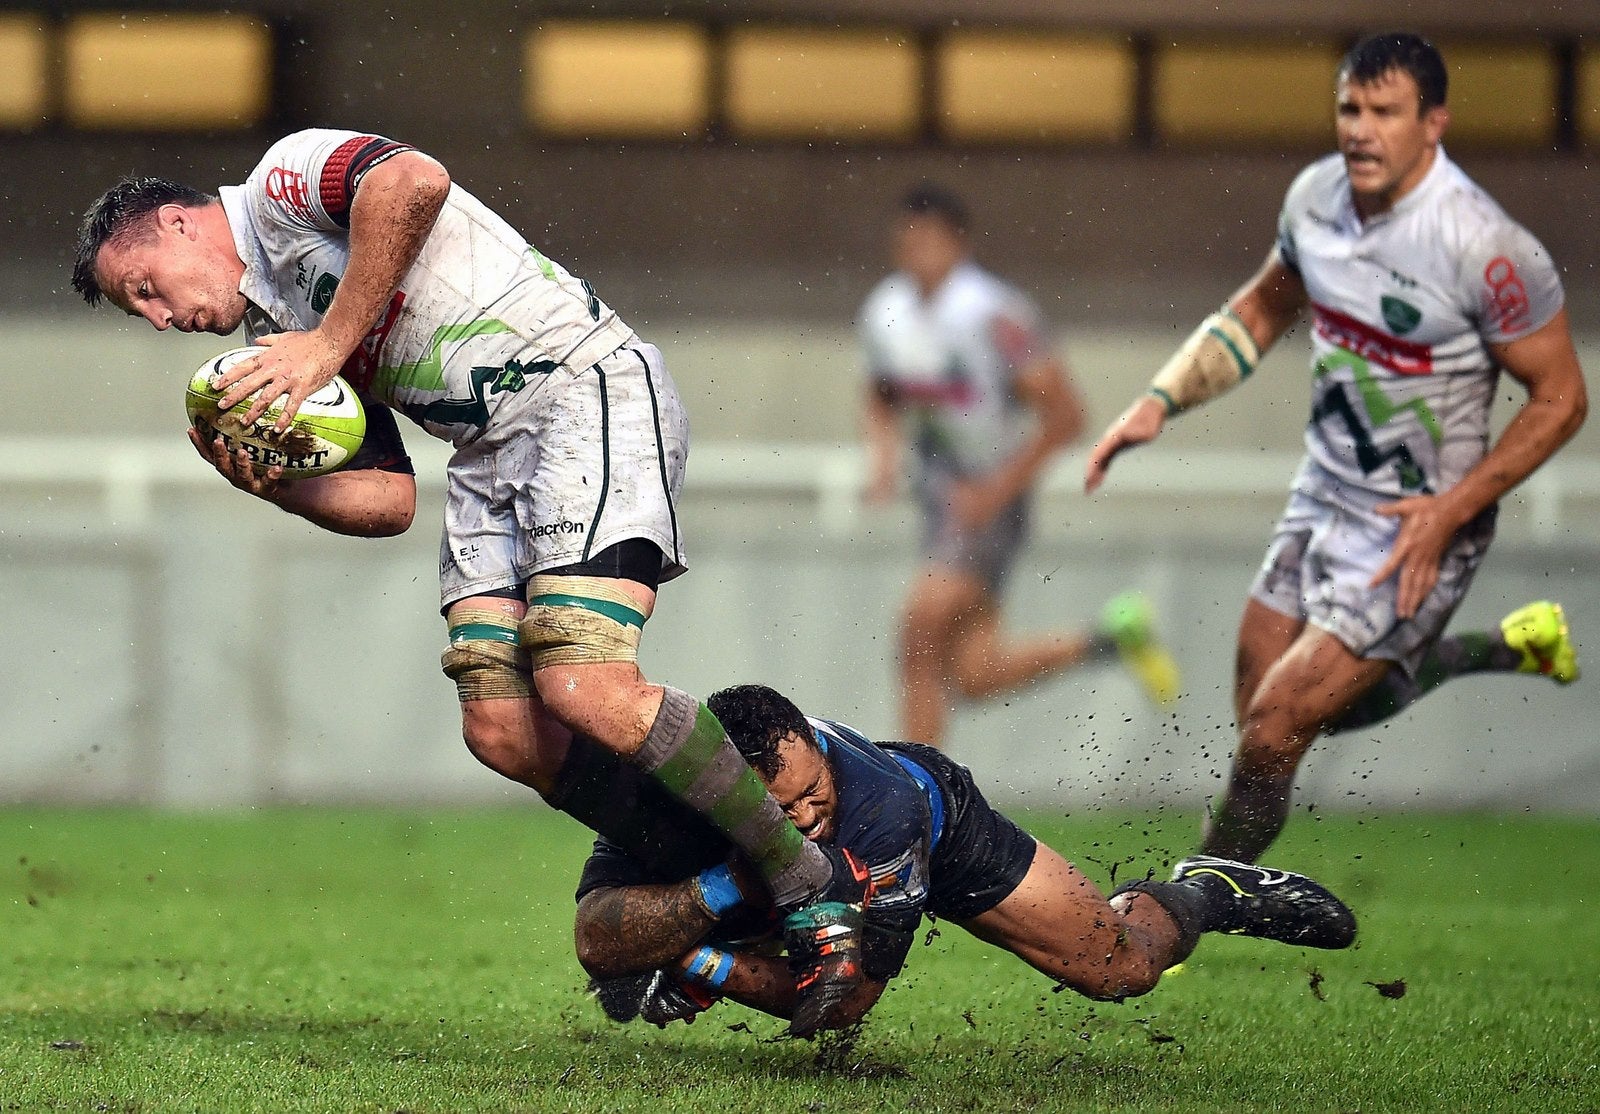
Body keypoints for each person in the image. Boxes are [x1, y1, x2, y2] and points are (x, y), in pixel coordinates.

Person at [69, 128, 872, 1037]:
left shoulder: (282, 182)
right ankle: (730, 881)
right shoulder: (278, 332)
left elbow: (415, 180)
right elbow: (386, 501)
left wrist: (328, 345)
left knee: (581, 683)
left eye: (144, 290)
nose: (159, 321)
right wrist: (279, 487)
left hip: (579, 388)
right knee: (505, 732)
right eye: (138, 314)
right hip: (485, 460)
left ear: (178, 224)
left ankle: (812, 886)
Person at [1084, 33, 1587, 863]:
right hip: (1322, 495)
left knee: (1279, 723)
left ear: (1434, 123)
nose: (1360, 128)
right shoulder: (1316, 197)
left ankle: (1191, 901)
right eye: (1349, 108)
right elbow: (1260, 310)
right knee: (1265, 717)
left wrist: (1448, 515)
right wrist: (1160, 401)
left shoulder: (1486, 248)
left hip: (1419, 523)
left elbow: (1563, 398)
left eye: (1384, 112)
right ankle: (1489, 649)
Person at [570, 684, 1356, 1031]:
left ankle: (1205, 889)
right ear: (727, 798)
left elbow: (843, 1008)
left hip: (945, 831)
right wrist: (719, 896)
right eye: (787, 809)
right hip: (766, 870)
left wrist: (696, 961)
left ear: (816, 750)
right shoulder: (674, 792)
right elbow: (597, 942)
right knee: (698, 918)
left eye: (818, 792)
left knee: (1122, 971)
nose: (810, 815)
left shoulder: (881, 811)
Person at [859, 184, 1180, 749]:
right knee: (973, 675)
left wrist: (996, 489)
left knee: (918, 627)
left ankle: (915, 796)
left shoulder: (990, 312)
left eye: (930, 241)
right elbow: (882, 391)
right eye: (908, 242)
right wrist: (883, 462)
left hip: (989, 498)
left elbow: (1066, 414)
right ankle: (1109, 639)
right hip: (941, 498)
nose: (917, 254)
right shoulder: (886, 310)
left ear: (959, 244)